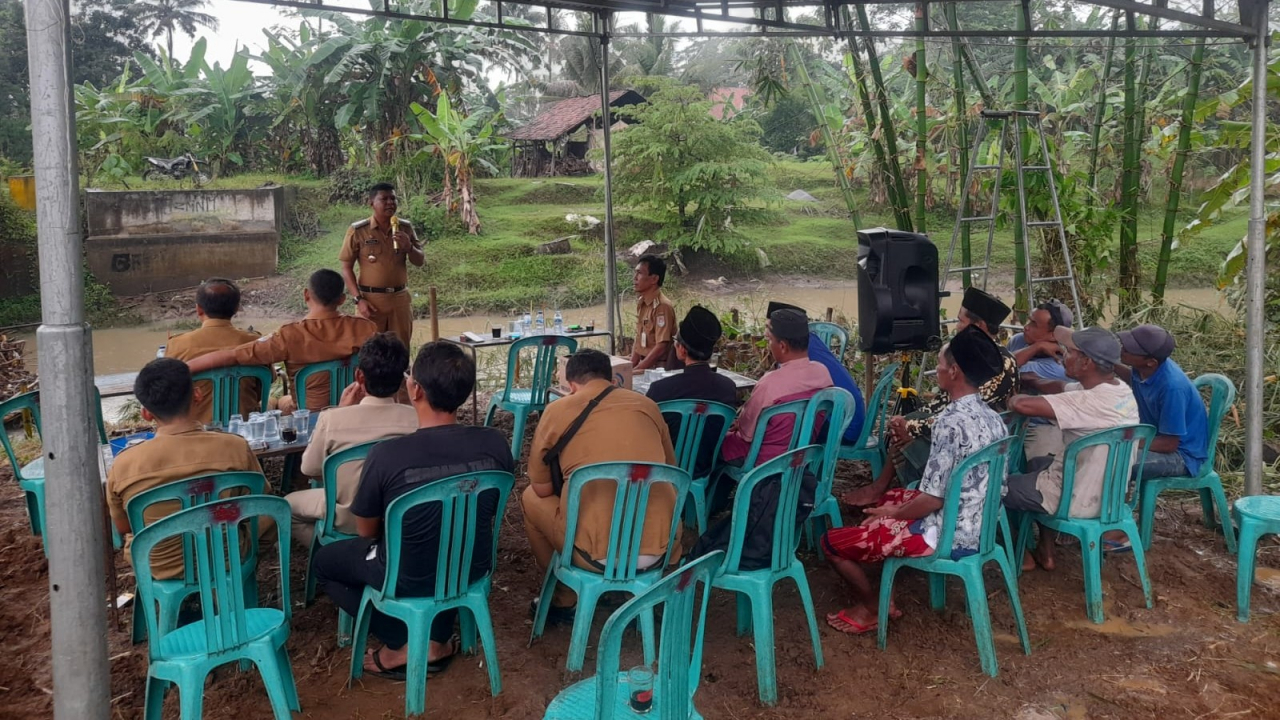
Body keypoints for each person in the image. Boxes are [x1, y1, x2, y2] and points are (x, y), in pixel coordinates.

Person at [312, 342, 514, 680]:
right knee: (432, 554)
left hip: (404, 575)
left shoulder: (388, 454)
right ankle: (437, 635)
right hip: (472, 565)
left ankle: (402, 642)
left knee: (324, 563)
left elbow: (366, 532)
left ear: (415, 389)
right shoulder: (494, 442)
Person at [822, 327, 1006, 635]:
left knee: (831, 543)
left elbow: (932, 500)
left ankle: (871, 607)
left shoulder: (950, 422)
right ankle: (886, 578)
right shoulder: (994, 418)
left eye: (941, 363)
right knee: (892, 497)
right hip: (981, 527)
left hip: (947, 535)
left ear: (955, 371)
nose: (938, 369)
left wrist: (893, 516)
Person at [522, 349, 677, 622]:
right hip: (659, 549)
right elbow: (672, 471)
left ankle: (565, 595)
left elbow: (542, 489)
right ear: (612, 379)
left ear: (571, 385)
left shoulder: (557, 410)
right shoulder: (647, 406)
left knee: (529, 497)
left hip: (590, 554)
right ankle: (637, 592)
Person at [106, 358, 270, 581]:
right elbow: (258, 501)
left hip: (158, 566)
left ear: (146, 413)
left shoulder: (123, 465)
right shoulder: (235, 446)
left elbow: (125, 525)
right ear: (198, 395)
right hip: (228, 556)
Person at [1003, 326, 1140, 570]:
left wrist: (1011, 396)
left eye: (1069, 352)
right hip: (1110, 496)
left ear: (1086, 362)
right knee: (1037, 464)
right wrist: (1030, 378)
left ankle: (1019, 554)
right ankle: (1046, 551)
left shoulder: (1087, 402)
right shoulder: (1118, 390)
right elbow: (1057, 386)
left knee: (997, 487)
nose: (1064, 355)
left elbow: (1023, 405)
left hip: (1079, 498)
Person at [286, 333, 419, 547]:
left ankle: (335, 552)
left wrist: (340, 410)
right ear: (403, 378)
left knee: (288, 506)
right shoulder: (416, 419)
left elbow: (309, 468)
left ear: (359, 377)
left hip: (347, 517)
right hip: (400, 514)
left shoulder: (333, 419)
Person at [879, 287, 1019, 489]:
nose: (956, 327)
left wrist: (911, 428)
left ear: (978, 326)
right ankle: (902, 489)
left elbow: (967, 414)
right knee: (904, 424)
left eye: (960, 321)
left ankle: (922, 493)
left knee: (908, 439)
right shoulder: (967, 353)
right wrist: (907, 422)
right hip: (955, 426)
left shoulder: (999, 363)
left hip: (977, 444)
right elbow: (943, 402)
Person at [186, 269, 376, 412]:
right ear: (342, 299)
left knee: (280, 403)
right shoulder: (366, 328)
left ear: (306, 295)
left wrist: (184, 369)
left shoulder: (289, 335)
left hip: (309, 413)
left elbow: (234, 356)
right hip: (356, 406)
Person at [720, 306, 833, 468]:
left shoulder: (770, 383)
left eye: (769, 340)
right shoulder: (823, 373)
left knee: (715, 445)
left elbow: (746, 433)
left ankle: (714, 492)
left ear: (782, 346)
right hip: (800, 455)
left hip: (762, 461)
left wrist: (738, 424)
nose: (768, 345)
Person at [646, 305, 740, 479]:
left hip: (665, 469)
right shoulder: (727, 387)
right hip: (705, 470)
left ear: (681, 349)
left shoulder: (660, 389)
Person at [1115, 324, 1208, 481]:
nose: (1123, 349)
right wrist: (1108, 364)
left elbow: (1168, 444)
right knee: (1106, 453)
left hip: (1180, 455)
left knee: (1112, 461)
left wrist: (1126, 442)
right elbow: (1133, 379)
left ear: (1151, 362)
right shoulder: (1144, 369)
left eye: (1130, 349)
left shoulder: (1172, 388)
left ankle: (1116, 505)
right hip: (1157, 440)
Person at [163, 278, 263, 424]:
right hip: (245, 427)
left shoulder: (176, 345)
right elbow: (265, 383)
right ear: (236, 308)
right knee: (273, 402)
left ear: (199, 309)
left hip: (196, 429)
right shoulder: (255, 343)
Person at [339, 183, 424, 346]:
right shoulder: (358, 231)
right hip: (370, 302)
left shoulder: (405, 228)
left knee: (400, 350)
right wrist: (358, 300)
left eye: (393, 198)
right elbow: (346, 268)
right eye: (384, 199)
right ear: (371, 203)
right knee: (370, 352)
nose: (390, 202)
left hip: (399, 301)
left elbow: (419, 261)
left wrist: (409, 247)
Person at [1007, 300, 1073, 460]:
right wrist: (1036, 347)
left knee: (1039, 468)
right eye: (1029, 320)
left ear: (1053, 335)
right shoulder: (1019, 340)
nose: (1026, 327)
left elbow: (1004, 369)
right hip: (1011, 420)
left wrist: (1035, 348)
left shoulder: (1059, 366)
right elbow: (997, 364)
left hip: (1041, 426)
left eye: (1034, 324)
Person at [629, 254, 677, 372]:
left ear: (654, 279)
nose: (635, 278)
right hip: (644, 364)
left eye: (640, 273)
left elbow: (661, 346)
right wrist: (631, 365)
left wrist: (637, 370)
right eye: (635, 273)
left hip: (658, 369)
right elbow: (639, 337)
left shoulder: (662, 306)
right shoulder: (642, 302)